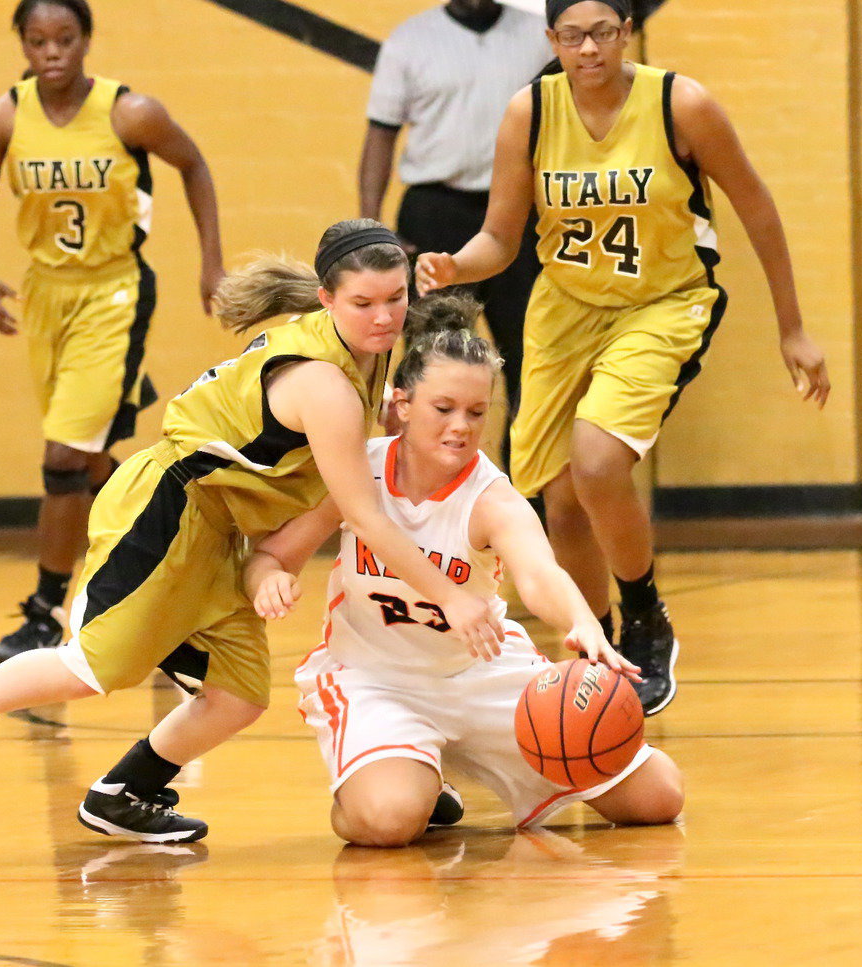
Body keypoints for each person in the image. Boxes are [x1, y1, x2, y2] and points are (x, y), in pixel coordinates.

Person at [0, 220, 505, 843]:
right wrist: (449, 595)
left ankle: (128, 791)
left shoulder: (363, 354)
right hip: (167, 511)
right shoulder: (325, 383)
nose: (383, 317)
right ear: (327, 300)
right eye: (363, 304)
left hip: (219, 528)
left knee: (238, 694)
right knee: (95, 666)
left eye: (394, 299)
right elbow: (363, 513)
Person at [416, 0, 831, 716]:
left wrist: (792, 327)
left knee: (599, 463)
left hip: (661, 304)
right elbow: (502, 236)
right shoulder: (531, 113)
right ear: (551, 40)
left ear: (627, 32)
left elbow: (757, 206)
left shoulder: (681, 104)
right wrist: (457, 265)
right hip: (565, 310)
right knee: (558, 496)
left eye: (602, 32)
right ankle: (595, 647)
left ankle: (645, 616)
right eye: (572, 35)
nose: (588, 49)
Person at [244, 305, 684, 848]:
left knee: (660, 797)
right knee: (386, 822)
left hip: (481, 674)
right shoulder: (356, 471)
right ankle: (404, 773)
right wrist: (269, 579)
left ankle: (427, 768)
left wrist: (580, 620)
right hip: (376, 678)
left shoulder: (491, 498)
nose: (460, 426)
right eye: (444, 408)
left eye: (476, 413)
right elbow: (270, 555)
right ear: (402, 405)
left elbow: (540, 573)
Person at [0, 0, 225, 664]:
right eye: (38, 40)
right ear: (22, 44)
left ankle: (47, 611)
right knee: (99, 462)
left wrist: (211, 262)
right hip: (47, 296)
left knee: (62, 458)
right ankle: (169, 590)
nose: (52, 52)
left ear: (86, 41)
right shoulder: (2, 118)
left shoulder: (130, 112)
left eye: (65, 39)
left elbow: (193, 165)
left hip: (115, 291)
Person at [359, 0, 551, 466]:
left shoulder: (538, 35)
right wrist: (371, 226)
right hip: (437, 213)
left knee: (535, 362)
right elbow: (380, 134)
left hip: (523, 214)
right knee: (433, 365)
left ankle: (524, 500)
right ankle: (428, 485)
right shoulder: (411, 39)